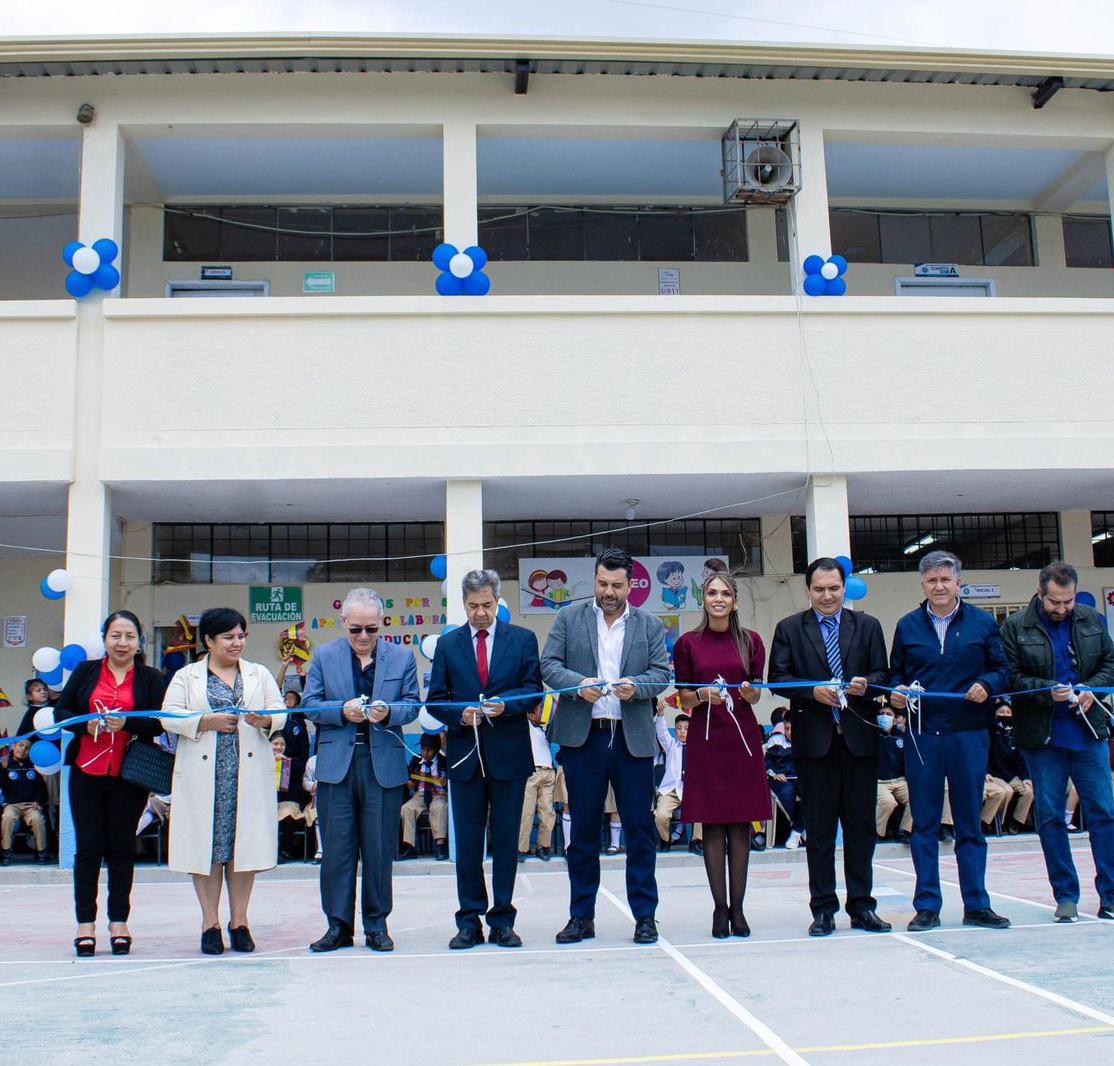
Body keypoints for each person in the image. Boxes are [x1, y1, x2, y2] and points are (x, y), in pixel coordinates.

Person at [541, 547, 671, 945]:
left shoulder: (649, 624)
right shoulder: (569, 617)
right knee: (582, 830)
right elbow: (549, 666)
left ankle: (645, 916)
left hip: (632, 738)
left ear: (631, 585)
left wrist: (638, 687)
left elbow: (661, 673)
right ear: (595, 581)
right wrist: (579, 685)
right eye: (602, 584)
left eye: (616, 585)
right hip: (584, 737)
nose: (608, 592)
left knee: (639, 829)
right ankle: (581, 916)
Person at [769, 557, 892, 937]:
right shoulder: (790, 628)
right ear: (808, 590)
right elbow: (778, 679)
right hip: (814, 743)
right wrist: (812, 691)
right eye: (819, 589)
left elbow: (883, 674)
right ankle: (823, 909)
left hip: (859, 741)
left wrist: (865, 685)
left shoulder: (868, 626)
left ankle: (862, 906)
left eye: (834, 588)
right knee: (820, 830)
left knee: (861, 829)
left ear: (844, 587)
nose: (827, 596)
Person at [890, 550, 1012, 932]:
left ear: (959, 582)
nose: (939, 586)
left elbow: (1003, 669)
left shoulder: (982, 623)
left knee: (969, 823)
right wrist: (896, 694)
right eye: (932, 580)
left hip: (969, 734)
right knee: (924, 823)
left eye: (946, 579)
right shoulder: (907, 626)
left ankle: (977, 904)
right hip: (923, 735)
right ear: (923, 584)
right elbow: (895, 674)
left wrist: (987, 685)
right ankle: (927, 906)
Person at [427, 570, 542, 949]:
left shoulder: (522, 640)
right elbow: (436, 699)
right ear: (463, 604)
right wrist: (459, 715)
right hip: (465, 757)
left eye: (487, 605)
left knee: (507, 840)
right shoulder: (449, 645)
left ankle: (503, 920)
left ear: (497, 602)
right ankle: (469, 921)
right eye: (473, 606)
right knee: (468, 843)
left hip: (509, 755)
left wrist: (505, 705)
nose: (480, 613)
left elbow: (533, 690)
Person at [161, 607, 286, 955]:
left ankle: (240, 922)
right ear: (209, 640)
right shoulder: (187, 676)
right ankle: (210, 924)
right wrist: (205, 721)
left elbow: (280, 711)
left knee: (243, 850)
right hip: (204, 777)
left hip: (247, 775)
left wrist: (265, 721)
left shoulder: (259, 674)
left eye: (241, 636)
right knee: (207, 851)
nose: (236, 643)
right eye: (228, 637)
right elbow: (168, 716)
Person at [301, 588, 420, 953]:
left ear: (382, 623)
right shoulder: (324, 656)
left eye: (372, 628)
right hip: (337, 764)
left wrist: (389, 713)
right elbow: (309, 705)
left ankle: (377, 925)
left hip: (381, 763)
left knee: (380, 850)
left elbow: (412, 705)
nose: (364, 636)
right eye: (356, 629)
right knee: (336, 851)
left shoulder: (402, 657)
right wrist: (342, 711)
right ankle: (338, 926)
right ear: (344, 623)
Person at [1000, 561, 1114, 922]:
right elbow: (1010, 677)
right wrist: (1046, 691)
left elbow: (1110, 663)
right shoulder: (1017, 626)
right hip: (1042, 736)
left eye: (1068, 601)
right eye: (1054, 602)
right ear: (1040, 593)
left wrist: (1092, 689)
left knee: (1104, 815)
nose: (1062, 609)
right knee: (1050, 817)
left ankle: (1110, 896)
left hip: (1089, 732)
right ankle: (1065, 897)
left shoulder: (1091, 620)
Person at [54, 611, 167, 957]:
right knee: (88, 848)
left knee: (121, 847)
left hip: (128, 775)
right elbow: (62, 713)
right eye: (115, 636)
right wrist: (85, 725)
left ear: (139, 642)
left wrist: (128, 724)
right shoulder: (86, 672)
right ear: (104, 639)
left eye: (129, 636)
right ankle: (85, 923)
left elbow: (160, 721)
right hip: (85, 771)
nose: (122, 643)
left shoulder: (151, 677)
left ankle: (119, 921)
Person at [673, 572, 768, 938]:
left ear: (735, 601)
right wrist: (702, 696)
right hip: (707, 739)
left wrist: (749, 692)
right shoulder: (687, 643)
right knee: (712, 824)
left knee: (740, 824)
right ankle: (719, 908)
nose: (718, 599)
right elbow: (683, 696)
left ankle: (739, 908)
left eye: (725, 593)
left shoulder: (751, 641)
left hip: (741, 738)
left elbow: (756, 693)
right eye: (712, 593)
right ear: (704, 599)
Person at [653, 710, 702, 853]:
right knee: (661, 815)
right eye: (679, 728)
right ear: (675, 731)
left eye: (686, 728)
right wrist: (660, 715)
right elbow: (662, 733)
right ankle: (665, 839)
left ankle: (696, 841)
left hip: (692, 790)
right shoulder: (671, 746)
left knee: (702, 809)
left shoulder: (698, 748)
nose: (683, 732)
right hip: (671, 791)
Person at [985, 701, 1033, 834]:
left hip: (1011, 776)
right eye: (1001, 712)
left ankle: (1015, 822)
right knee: (1006, 792)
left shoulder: (1015, 733)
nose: (1005, 715)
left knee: (1029, 791)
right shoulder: (990, 732)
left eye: (1008, 712)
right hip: (995, 774)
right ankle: (992, 822)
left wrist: (1025, 777)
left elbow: (1021, 758)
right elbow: (984, 754)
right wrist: (986, 771)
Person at [518, 705, 558, 862]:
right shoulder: (525, 726)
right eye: (539, 710)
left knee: (548, 812)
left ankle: (544, 846)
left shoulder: (545, 729)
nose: (541, 713)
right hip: (532, 771)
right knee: (526, 812)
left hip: (548, 771)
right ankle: (521, 847)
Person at [400, 733, 448, 860]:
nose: (425, 753)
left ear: (436, 750)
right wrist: (409, 782)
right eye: (423, 749)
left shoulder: (444, 761)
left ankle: (440, 845)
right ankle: (409, 846)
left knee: (439, 808)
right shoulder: (416, 760)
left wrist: (445, 781)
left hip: (439, 794)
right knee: (406, 808)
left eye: (429, 750)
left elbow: (450, 779)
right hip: (420, 795)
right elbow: (408, 774)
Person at [1, 739, 49, 864]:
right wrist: (2, 769)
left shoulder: (34, 766)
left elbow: (42, 787)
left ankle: (42, 852)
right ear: (14, 746)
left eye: (27, 748)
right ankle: (6, 851)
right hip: (12, 805)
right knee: (7, 818)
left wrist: (38, 802)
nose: (23, 749)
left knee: (38, 819)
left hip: (30, 805)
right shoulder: (6, 765)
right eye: (20, 745)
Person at [764, 719, 804, 850]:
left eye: (793, 728)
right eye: (787, 729)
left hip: (802, 779)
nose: (790, 732)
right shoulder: (776, 741)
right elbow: (767, 763)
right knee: (786, 792)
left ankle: (797, 830)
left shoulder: (806, 741)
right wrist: (775, 774)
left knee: (811, 792)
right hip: (781, 779)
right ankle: (801, 826)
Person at [875, 709, 912, 842]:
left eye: (888, 714)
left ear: (895, 720)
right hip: (879, 782)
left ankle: (905, 831)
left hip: (899, 781)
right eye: (881, 713)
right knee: (888, 802)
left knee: (917, 798)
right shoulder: (872, 735)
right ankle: (874, 833)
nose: (884, 717)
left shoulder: (902, 737)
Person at [273, 734, 309, 861]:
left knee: (287, 812)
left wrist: (286, 761)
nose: (279, 747)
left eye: (282, 744)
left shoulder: (291, 762)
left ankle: (285, 850)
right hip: (268, 802)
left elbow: (302, 769)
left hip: (287, 801)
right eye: (275, 744)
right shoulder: (262, 761)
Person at [280, 690, 312, 763]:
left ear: (297, 704)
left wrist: (301, 763)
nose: (287, 700)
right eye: (285, 698)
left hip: (294, 761)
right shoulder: (278, 718)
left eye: (291, 698)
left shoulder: (300, 722)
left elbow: (304, 745)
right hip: (279, 759)